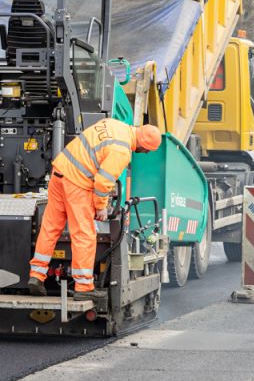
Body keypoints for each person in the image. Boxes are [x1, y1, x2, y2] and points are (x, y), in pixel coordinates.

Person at [28, 119, 162, 300]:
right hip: (77, 182)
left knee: (50, 227)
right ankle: (83, 287)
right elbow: (103, 182)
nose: (144, 153)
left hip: (60, 172)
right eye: (146, 151)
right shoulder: (122, 150)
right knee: (84, 234)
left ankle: (36, 276)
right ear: (145, 147)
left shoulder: (114, 124)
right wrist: (101, 208)